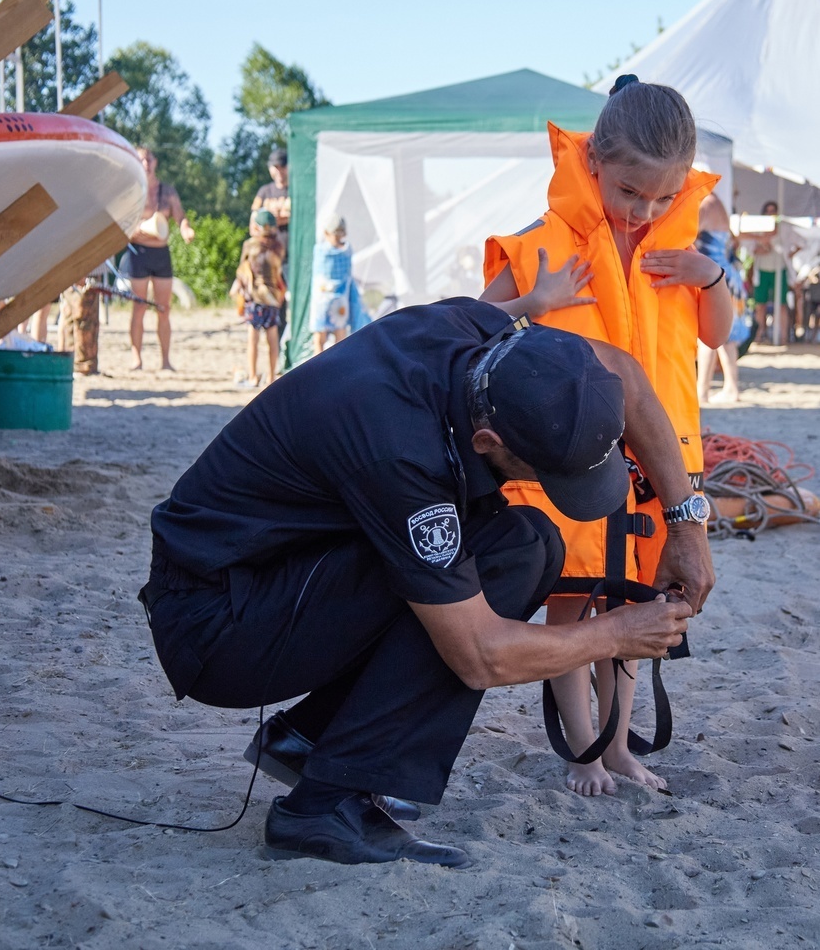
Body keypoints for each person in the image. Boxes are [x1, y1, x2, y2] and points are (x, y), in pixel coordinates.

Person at [139, 297, 713, 869]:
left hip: (277, 568)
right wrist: (616, 634)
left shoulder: (479, 332)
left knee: (528, 543)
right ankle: (323, 807)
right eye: (548, 473)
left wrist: (685, 525)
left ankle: (312, 741)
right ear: (488, 442)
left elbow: (625, 374)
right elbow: (480, 655)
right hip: (218, 625)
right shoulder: (401, 453)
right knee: (505, 560)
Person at [481, 75, 732, 797]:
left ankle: (618, 746)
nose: (644, 212)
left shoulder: (683, 255)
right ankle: (582, 750)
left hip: (655, 473)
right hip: (570, 466)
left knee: (632, 610)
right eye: (630, 192)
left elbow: (718, 335)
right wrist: (536, 300)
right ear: (591, 160)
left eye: (663, 198)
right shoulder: (541, 245)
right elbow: (464, 328)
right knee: (572, 607)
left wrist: (711, 277)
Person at [125, 147, 194, 371]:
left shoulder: (167, 191)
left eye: (149, 159)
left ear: (155, 162)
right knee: (139, 307)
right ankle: (136, 358)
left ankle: (165, 360)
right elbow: (120, 221)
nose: (146, 164)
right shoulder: (131, 189)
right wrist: (135, 230)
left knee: (163, 309)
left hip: (161, 253)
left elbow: (180, 217)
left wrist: (186, 230)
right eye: (141, 160)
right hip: (138, 252)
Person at [695, 191, 748, 404]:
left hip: (714, 276)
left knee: (709, 334)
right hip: (726, 274)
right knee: (726, 336)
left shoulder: (706, 203)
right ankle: (731, 387)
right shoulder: (717, 203)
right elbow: (735, 241)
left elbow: (688, 233)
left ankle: (702, 391)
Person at [231, 209, 287, 388]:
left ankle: (253, 376)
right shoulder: (279, 246)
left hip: (255, 297)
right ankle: (271, 377)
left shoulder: (250, 244)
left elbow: (242, 270)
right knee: (272, 338)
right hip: (273, 297)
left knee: (253, 339)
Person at [309, 213, 367, 355]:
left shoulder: (320, 250)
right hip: (340, 301)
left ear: (326, 232)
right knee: (340, 338)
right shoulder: (347, 250)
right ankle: (339, 363)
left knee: (319, 338)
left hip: (321, 299)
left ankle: (317, 365)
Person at [750, 201, 790, 345]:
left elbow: (791, 245)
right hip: (762, 270)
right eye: (767, 211)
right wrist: (760, 248)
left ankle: (784, 336)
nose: (770, 214)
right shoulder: (758, 228)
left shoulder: (784, 228)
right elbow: (751, 247)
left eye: (773, 211)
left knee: (781, 304)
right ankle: (759, 334)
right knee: (760, 304)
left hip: (779, 269)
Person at [251, 147, 291, 251]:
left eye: (283, 166)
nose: (279, 171)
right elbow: (253, 224)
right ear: (270, 168)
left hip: (291, 252)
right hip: (268, 253)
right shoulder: (264, 191)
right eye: (276, 167)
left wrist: (285, 218)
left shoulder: (296, 192)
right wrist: (268, 221)